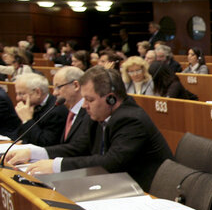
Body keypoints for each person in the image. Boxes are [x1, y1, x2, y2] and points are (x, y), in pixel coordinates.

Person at [5, 67, 173, 191]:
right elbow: (79, 147)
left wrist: (57, 166)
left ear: (111, 100)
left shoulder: (131, 120)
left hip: (148, 192)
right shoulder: (99, 114)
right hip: (118, 185)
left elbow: (110, 163)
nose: (84, 105)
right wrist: (35, 153)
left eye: (89, 99)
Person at [13, 73, 67, 146]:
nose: (17, 98)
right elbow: (21, 136)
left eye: (21, 94)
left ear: (38, 92)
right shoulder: (30, 106)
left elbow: (45, 143)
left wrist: (27, 120)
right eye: (17, 94)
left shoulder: (56, 110)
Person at [51, 66, 89, 144]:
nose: (54, 93)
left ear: (76, 85)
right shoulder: (70, 111)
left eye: (58, 87)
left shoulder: (89, 112)